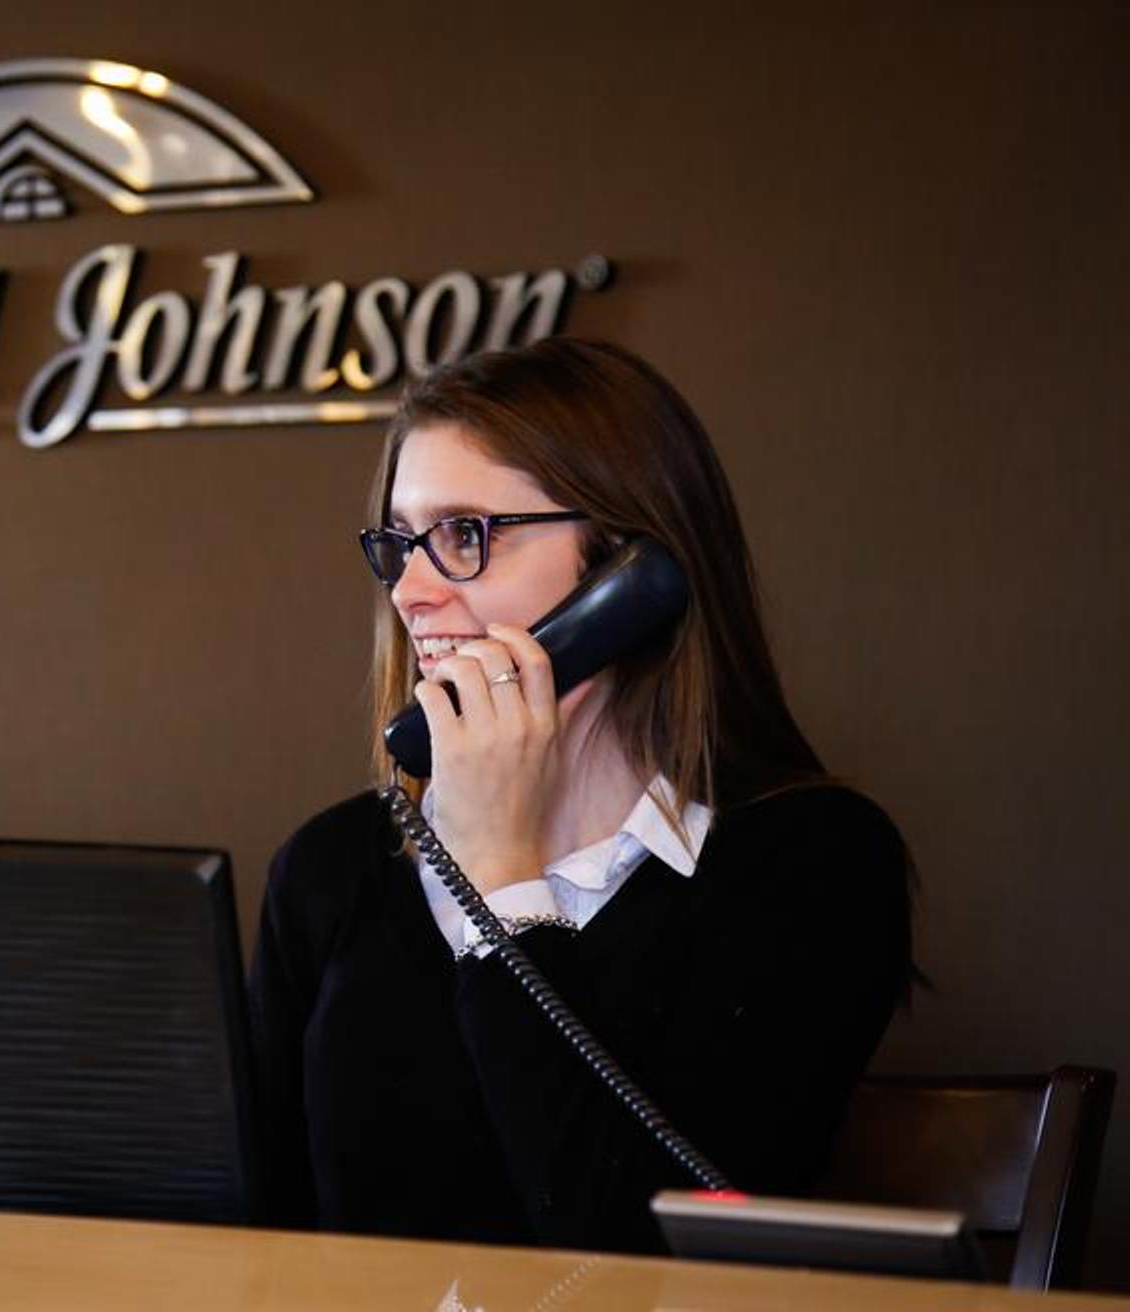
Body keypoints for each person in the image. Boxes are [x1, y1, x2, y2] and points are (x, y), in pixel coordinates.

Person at [247, 337, 913, 1253]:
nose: (410, 593)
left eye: (465, 535)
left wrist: (502, 877)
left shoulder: (813, 866)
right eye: (400, 544)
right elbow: (258, 1242)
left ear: (628, 571)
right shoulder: (330, 871)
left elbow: (645, 1252)